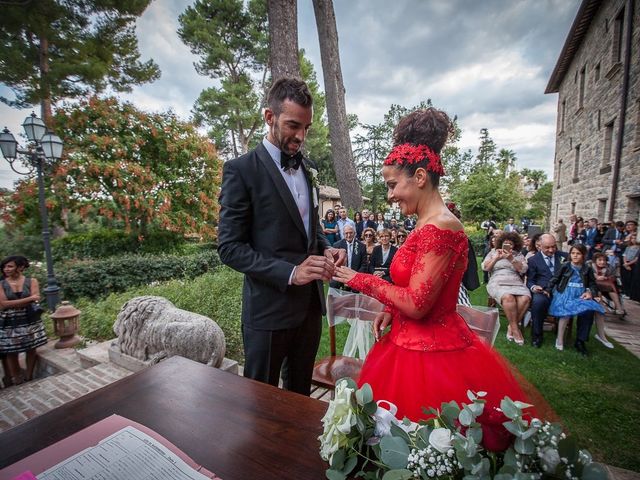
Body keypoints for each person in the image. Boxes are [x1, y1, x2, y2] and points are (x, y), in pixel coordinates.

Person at [332, 107, 534, 428]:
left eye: (393, 184)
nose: (390, 195)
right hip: (404, 345)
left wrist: (359, 279)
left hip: (430, 360)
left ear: (421, 177)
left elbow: (416, 304)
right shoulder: (425, 223)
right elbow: (413, 287)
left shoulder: (440, 227)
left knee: (421, 439)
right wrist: (390, 307)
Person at [217, 77, 345, 395]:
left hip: (309, 310)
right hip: (268, 313)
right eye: (292, 125)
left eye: (306, 128)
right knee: (260, 400)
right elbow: (229, 248)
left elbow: (310, 227)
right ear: (269, 117)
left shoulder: (307, 170)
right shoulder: (241, 170)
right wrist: (292, 273)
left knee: (299, 395)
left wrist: (327, 249)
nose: (300, 136)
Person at [546, 244, 608, 354]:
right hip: (565, 293)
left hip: (580, 294)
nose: (575, 256)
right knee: (565, 313)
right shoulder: (565, 265)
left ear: (583, 255)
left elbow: (593, 284)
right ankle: (559, 339)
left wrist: (591, 293)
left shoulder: (587, 268)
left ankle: (593, 337)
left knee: (594, 309)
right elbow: (555, 279)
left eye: (578, 254)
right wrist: (548, 290)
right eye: (573, 253)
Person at [0, 255, 47, 385]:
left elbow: (37, 297)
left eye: (10, 266)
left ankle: (29, 376)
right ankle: (17, 379)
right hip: (10, 321)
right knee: (11, 350)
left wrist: (14, 302)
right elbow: (3, 304)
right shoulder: (2, 284)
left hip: (29, 318)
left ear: (20, 267)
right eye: (5, 266)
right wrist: (28, 299)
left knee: (31, 347)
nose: (6, 269)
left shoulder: (31, 281)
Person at [481, 232, 530, 345]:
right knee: (508, 297)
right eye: (505, 243)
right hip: (497, 280)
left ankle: (511, 327)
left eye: (511, 244)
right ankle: (516, 330)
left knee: (525, 298)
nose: (508, 246)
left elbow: (523, 270)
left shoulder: (518, 255)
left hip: (515, 280)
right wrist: (496, 258)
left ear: (515, 245)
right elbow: (486, 268)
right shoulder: (493, 252)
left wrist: (511, 258)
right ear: (501, 243)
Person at [526, 233, 569, 348]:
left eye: (553, 246)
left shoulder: (565, 256)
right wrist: (534, 287)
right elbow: (530, 280)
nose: (551, 250)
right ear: (539, 246)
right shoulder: (533, 260)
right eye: (547, 247)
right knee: (538, 302)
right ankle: (537, 335)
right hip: (542, 291)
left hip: (562, 291)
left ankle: (580, 341)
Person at [329, 225, 365, 290]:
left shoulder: (362, 246)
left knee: (355, 289)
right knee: (333, 283)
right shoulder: (336, 245)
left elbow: (364, 264)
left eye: (351, 233)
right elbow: (334, 263)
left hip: (355, 274)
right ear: (343, 234)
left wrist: (355, 275)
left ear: (354, 233)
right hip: (340, 274)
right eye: (346, 233)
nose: (349, 235)